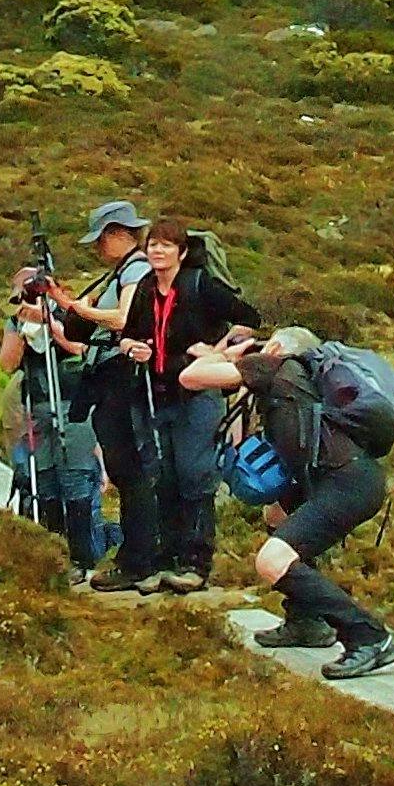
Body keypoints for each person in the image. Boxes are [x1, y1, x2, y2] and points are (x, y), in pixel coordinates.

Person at [193, 323, 394, 681]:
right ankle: (306, 622)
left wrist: (228, 354)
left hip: (348, 484)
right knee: (276, 513)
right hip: (345, 477)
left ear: (275, 347)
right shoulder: (305, 383)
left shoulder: (277, 367)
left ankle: (368, 636)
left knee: (272, 561)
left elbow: (191, 376)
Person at [112, 216, 255, 595]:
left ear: (182, 251)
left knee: (195, 474)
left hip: (197, 397)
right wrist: (132, 347)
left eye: (166, 245)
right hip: (155, 396)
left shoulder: (199, 285)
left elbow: (249, 319)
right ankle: (169, 561)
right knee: (165, 477)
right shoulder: (145, 287)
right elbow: (127, 334)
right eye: (153, 244)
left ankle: (196, 562)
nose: (157, 250)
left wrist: (218, 351)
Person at [42, 201, 158, 590]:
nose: (96, 248)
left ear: (115, 234)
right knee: (126, 470)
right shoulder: (123, 272)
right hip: (111, 378)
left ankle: (138, 558)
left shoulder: (136, 270)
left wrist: (79, 310)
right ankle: (137, 555)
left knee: (130, 470)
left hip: (122, 380)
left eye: (100, 239)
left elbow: (124, 319)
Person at [0, 247, 104, 571]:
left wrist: (52, 321)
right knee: (44, 481)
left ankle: (84, 556)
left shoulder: (71, 315)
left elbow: (82, 350)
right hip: (38, 405)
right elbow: (7, 364)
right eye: (21, 292)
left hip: (75, 407)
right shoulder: (17, 320)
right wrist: (20, 327)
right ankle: (54, 555)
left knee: (76, 479)